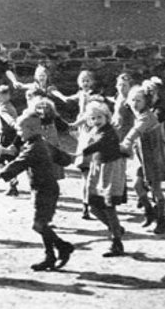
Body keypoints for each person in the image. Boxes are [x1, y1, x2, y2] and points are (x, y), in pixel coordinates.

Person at [0, 108, 75, 272]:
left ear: (32, 129)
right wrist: (69, 158)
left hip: (44, 189)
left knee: (38, 225)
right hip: (45, 188)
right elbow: (63, 158)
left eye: (20, 130)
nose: (18, 133)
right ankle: (50, 256)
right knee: (42, 224)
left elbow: (18, 163)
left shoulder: (34, 148)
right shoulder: (42, 143)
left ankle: (63, 247)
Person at [121, 83, 165, 234]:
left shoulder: (147, 117)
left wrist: (124, 144)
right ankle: (149, 212)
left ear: (146, 102)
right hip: (142, 157)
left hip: (154, 157)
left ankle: (162, 221)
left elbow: (134, 133)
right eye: (132, 100)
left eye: (138, 101)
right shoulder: (138, 113)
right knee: (137, 185)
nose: (134, 104)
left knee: (156, 190)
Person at [79, 101, 128, 257]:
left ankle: (116, 242)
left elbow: (100, 143)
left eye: (99, 117)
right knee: (93, 206)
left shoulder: (109, 132)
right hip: (97, 167)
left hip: (110, 169)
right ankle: (116, 229)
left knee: (108, 205)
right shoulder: (95, 130)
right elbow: (91, 141)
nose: (96, 120)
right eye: (93, 118)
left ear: (107, 117)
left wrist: (82, 152)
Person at [60, 70, 104, 220]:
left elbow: (91, 113)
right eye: (83, 80)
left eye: (88, 80)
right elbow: (68, 99)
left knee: (92, 175)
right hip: (84, 128)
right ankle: (87, 205)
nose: (85, 83)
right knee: (87, 174)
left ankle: (90, 203)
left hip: (87, 126)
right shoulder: (81, 94)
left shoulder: (95, 97)